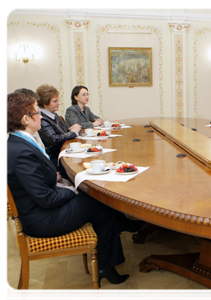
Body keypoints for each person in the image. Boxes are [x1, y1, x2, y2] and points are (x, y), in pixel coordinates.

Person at [5, 92, 144, 285]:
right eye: (37, 111)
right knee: (100, 200)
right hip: (43, 220)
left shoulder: (19, 143)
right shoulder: (20, 151)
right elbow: (46, 199)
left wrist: (61, 182)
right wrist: (71, 190)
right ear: (25, 119)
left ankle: (106, 264)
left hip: (42, 210)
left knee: (103, 210)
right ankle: (108, 262)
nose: (40, 115)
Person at [37, 84, 81, 179]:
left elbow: (64, 131)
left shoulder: (53, 114)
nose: (59, 103)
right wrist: (73, 132)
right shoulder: (42, 119)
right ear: (45, 103)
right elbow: (54, 139)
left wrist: (71, 129)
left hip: (62, 152)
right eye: (55, 101)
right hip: (54, 158)